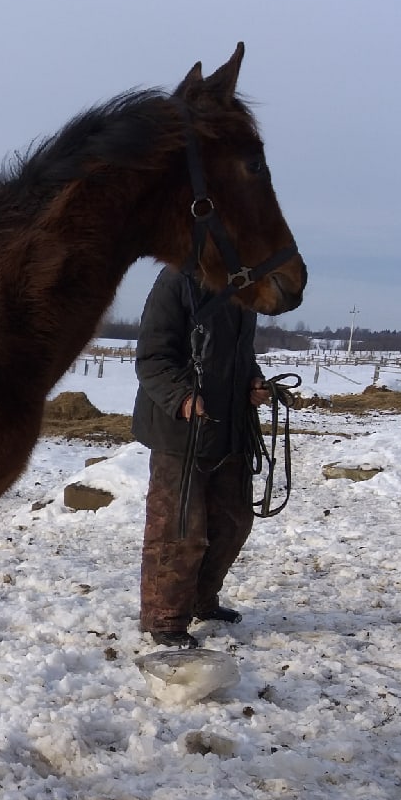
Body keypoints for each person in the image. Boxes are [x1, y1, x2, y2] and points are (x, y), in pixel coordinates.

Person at [131, 264, 269, 649]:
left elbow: (239, 354)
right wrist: (182, 397)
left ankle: (200, 600)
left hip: (229, 427)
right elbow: (152, 358)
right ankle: (164, 616)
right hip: (179, 430)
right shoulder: (177, 279)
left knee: (233, 522)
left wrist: (253, 382)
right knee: (179, 529)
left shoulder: (242, 284)